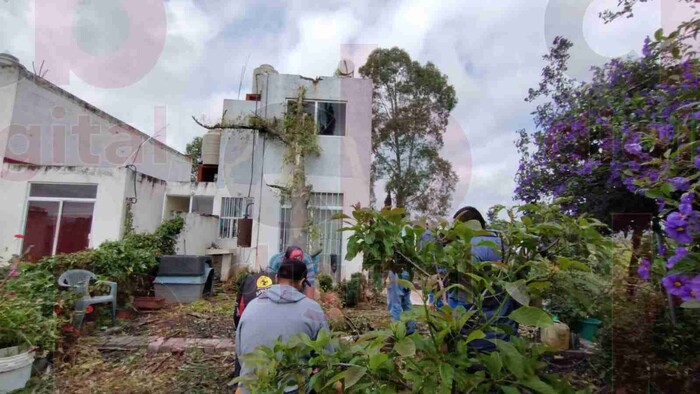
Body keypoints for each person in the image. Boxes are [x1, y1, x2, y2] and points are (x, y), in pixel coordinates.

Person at [426, 206, 518, 351]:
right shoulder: (506, 246)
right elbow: (518, 297)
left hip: (472, 343)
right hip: (505, 340)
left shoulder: (465, 252)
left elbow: (458, 304)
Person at [235, 258, 330, 394]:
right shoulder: (312, 309)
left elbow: (240, 353)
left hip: (252, 387)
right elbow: (326, 357)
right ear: (302, 282)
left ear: (276, 278)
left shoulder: (252, 306)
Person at [386, 268, 416, 335]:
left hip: (396, 271)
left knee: (395, 304)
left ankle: (398, 331)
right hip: (407, 272)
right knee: (406, 303)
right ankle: (411, 328)